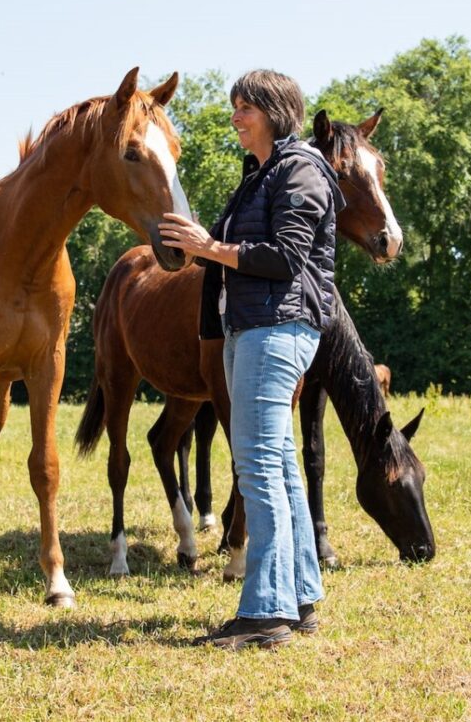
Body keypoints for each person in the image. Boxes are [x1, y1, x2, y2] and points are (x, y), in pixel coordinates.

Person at [159, 68, 342, 651]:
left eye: (245, 108)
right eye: (235, 106)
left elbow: (286, 256)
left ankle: (265, 611)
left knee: (257, 467)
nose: (235, 117)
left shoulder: (301, 170)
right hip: (251, 328)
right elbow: (228, 256)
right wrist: (200, 247)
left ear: (274, 110)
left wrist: (210, 247)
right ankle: (299, 596)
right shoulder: (259, 177)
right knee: (281, 468)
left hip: (277, 328)